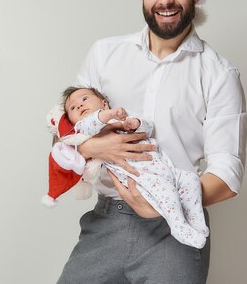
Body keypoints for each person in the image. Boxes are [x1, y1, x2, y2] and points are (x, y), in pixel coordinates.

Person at [56, 0, 247, 284]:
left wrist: (165, 203)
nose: (165, 0)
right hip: (106, 222)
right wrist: (91, 147)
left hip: (176, 231)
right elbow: (65, 127)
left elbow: (227, 173)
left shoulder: (219, 74)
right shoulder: (104, 54)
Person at [43, 86, 209, 249]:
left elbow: (148, 127)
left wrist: (136, 123)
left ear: (104, 103)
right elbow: (91, 124)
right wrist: (106, 115)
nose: (79, 105)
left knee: (191, 180)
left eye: (84, 99)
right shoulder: (84, 130)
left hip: (164, 167)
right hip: (140, 176)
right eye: (72, 107)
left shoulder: (124, 117)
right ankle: (178, 226)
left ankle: (196, 222)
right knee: (167, 192)